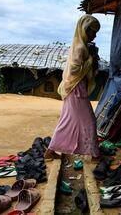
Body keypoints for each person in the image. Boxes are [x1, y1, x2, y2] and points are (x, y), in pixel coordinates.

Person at [44, 15, 101, 161]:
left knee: (67, 121)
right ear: (84, 30)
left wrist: (92, 63)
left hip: (75, 88)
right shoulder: (81, 48)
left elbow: (82, 70)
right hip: (75, 90)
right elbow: (75, 70)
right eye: (93, 32)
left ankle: (50, 151)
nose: (94, 35)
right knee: (89, 121)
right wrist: (90, 61)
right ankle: (94, 154)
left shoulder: (81, 46)